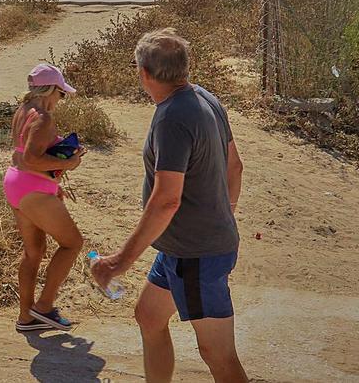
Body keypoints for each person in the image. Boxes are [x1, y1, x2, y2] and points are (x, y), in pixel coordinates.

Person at [92, 29, 247, 383]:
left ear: (144, 74)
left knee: (219, 356)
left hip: (195, 255)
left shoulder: (171, 119)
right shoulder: (205, 98)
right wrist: (223, 216)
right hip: (182, 249)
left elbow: (166, 200)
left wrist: (118, 262)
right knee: (149, 317)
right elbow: (235, 166)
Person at [4, 63, 87, 332]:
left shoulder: (22, 112)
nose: (60, 100)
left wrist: (54, 178)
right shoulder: (43, 117)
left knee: (33, 252)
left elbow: (22, 156)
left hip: (18, 183)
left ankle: (26, 317)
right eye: (60, 94)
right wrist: (68, 164)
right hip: (32, 188)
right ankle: (44, 307)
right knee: (72, 243)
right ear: (51, 90)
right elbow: (31, 158)